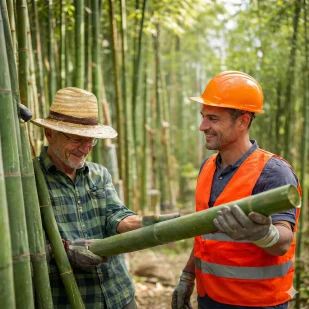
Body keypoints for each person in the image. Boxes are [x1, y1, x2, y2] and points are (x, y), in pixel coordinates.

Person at [30, 87, 178, 309]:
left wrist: (144, 223)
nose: (86, 148)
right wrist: (65, 252)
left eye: (91, 140)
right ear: (50, 133)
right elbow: (20, 249)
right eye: (78, 139)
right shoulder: (28, 180)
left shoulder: (99, 173)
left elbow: (115, 216)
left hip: (118, 292)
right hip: (70, 300)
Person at [171, 71, 301, 309]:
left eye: (213, 118)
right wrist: (188, 276)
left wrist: (263, 234)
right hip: (209, 297)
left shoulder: (273, 172)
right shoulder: (208, 167)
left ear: (242, 121)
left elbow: (284, 240)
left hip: (256, 302)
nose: (202, 126)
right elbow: (205, 236)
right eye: (203, 117)